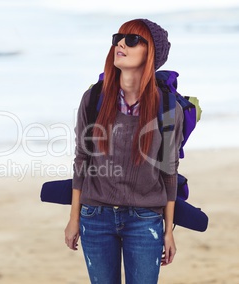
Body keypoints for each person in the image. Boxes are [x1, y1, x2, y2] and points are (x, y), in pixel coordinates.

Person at [64, 19, 183, 284]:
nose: (120, 43)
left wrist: (168, 230)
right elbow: (81, 160)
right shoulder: (94, 98)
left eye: (132, 40)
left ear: (150, 52)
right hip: (95, 217)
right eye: (119, 37)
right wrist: (74, 218)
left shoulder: (167, 108)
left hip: (144, 219)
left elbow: (169, 169)